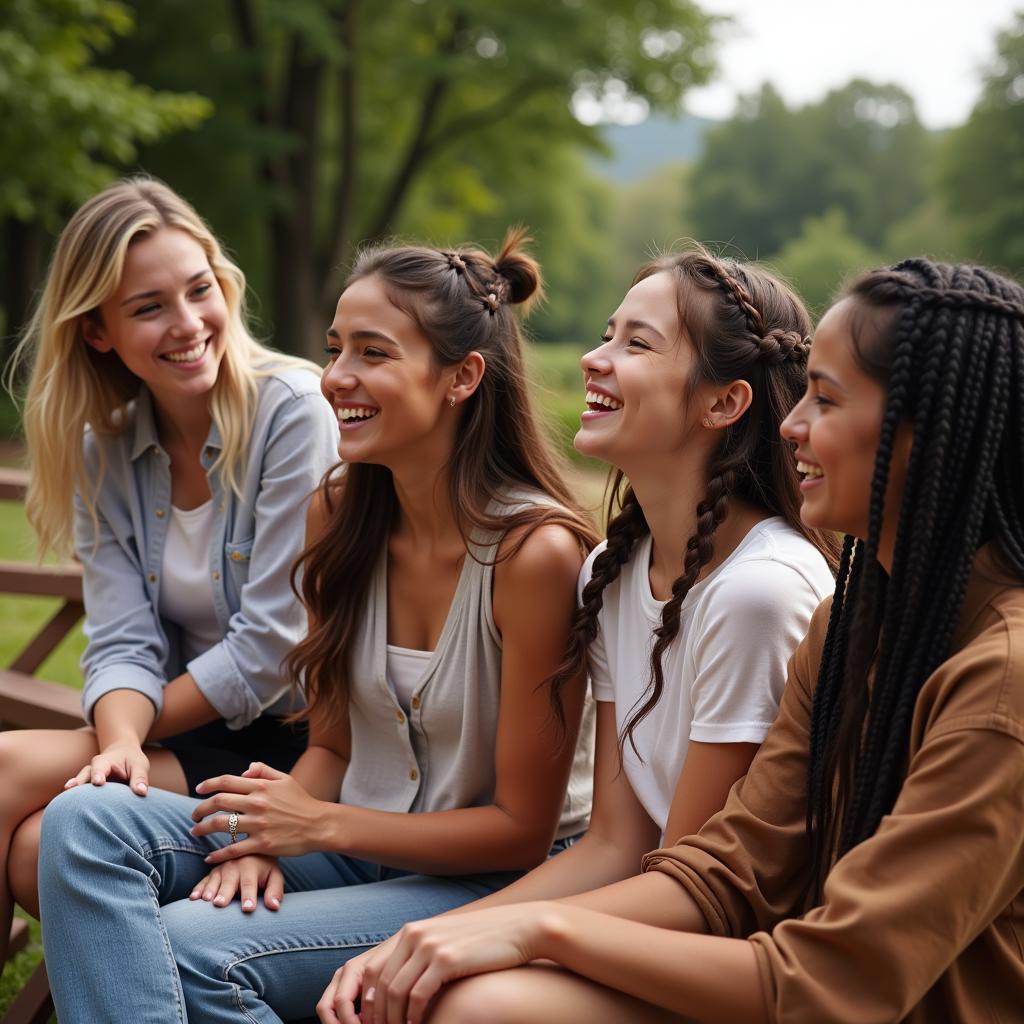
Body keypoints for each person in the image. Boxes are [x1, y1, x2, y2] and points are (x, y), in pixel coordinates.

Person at [330, 257, 1024, 1024]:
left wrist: (535, 930)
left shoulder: (1003, 683)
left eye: (825, 400)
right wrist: (453, 933)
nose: (791, 422)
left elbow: (835, 982)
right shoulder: (849, 627)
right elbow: (723, 871)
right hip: (750, 963)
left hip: (802, 989)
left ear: (934, 438)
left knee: (474, 1006)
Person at [37, 230, 599, 1024]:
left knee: (196, 948)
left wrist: (312, 825)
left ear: (461, 377)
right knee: (82, 823)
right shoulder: (336, 513)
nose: (335, 378)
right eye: (336, 349)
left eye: (373, 353)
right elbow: (333, 745)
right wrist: (267, 833)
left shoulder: (533, 555)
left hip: (485, 882)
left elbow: (519, 831)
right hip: (348, 851)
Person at [0, 177, 337, 962]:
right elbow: (119, 636)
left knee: (29, 816)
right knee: (25, 832)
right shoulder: (104, 448)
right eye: (149, 307)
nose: (188, 325)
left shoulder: (294, 410)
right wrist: (118, 741)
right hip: (195, 732)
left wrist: (134, 730)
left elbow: (272, 649)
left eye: (199, 291)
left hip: (312, 745)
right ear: (97, 332)